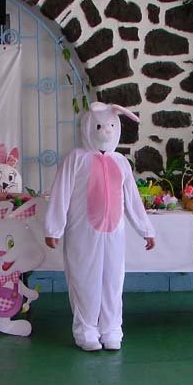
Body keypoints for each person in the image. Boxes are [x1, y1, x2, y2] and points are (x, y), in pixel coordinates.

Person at [45, 102, 155, 352]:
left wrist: (146, 229)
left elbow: (132, 198)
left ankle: (112, 330)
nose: (106, 131)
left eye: (111, 126)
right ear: (88, 127)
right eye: (99, 126)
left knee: (113, 281)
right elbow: (61, 193)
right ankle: (86, 331)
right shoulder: (76, 159)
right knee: (84, 280)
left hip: (114, 233)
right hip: (83, 232)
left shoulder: (121, 162)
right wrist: (54, 227)